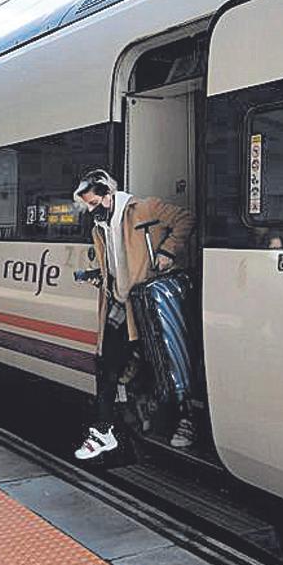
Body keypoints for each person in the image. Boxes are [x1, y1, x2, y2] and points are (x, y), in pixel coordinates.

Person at [72, 169, 195, 459]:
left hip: (149, 301)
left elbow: (186, 219)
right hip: (121, 303)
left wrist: (168, 252)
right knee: (106, 365)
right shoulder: (99, 228)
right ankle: (103, 430)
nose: (92, 211)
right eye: (88, 206)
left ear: (108, 194)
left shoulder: (144, 208)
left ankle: (185, 420)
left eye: (94, 203)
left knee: (168, 362)